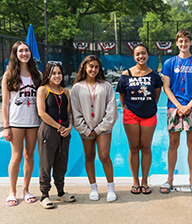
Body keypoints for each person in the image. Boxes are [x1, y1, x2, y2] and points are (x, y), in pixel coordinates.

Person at [160, 30, 192, 194]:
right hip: (174, 108)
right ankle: (169, 179)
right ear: (177, 43)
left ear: (190, 43)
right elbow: (166, 87)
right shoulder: (169, 63)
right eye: (181, 41)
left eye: (186, 41)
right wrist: (179, 106)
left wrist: (188, 106)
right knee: (173, 144)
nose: (183, 44)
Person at [71, 55, 119, 202]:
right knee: (89, 157)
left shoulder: (106, 86)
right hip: (85, 129)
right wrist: (85, 129)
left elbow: (112, 110)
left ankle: (111, 188)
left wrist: (99, 128)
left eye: (96, 67)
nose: (93, 69)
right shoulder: (77, 87)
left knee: (104, 156)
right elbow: (75, 111)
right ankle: (94, 188)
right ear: (85, 67)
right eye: (91, 66)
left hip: (103, 129)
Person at [116, 44, 162, 194]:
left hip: (149, 115)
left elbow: (156, 96)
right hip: (131, 115)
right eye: (137, 54)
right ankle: (135, 180)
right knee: (134, 148)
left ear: (148, 55)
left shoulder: (154, 76)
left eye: (143, 53)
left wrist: (146, 107)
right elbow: (122, 96)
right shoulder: (126, 74)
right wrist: (129, 108)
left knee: (146, 147)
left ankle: (145, 181)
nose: (140, 56)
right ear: (134, 56)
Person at [1, 41, 42, 206]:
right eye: (21, 51)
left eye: (26, 50)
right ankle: (12, 191)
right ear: (15, 54)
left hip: (33, 122)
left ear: (30, 53)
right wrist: (6, 126)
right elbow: (5, 103)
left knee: (29, 156)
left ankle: (26, 189)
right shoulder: (9, 75)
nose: (24, 53)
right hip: (16, 121)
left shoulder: (37, 74)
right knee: (16, 156)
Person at [36, 62, 76, 209]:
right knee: (46, 164)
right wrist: (59, 126)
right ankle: (44, 195)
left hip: (65, 131)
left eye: (59, 73)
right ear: (47, 74)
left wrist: (70, 126)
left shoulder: (65, 91)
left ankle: (60, 192)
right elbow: (42, 113)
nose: (57, 76)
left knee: (61, 163)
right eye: (53, 73)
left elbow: (69, 112)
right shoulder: (43, 90)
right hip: (49, 131)